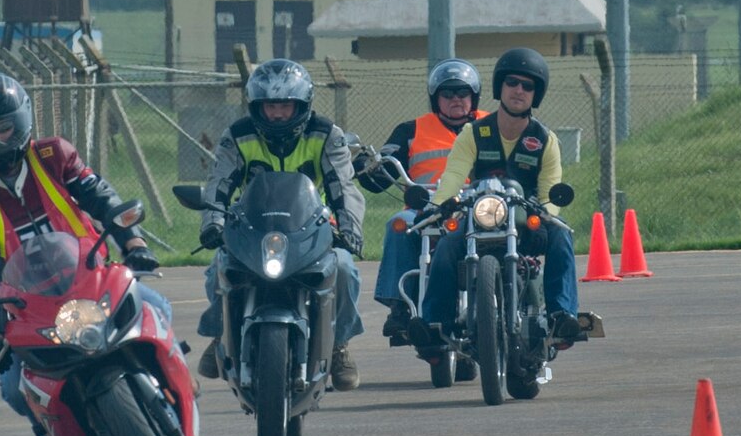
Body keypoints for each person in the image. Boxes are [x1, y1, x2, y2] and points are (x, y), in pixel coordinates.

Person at [0, 71, 168, 436]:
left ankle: (174, 384)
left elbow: (102, 199)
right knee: (13, 388)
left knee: (157, 306)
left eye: (3, 128)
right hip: (30, 301)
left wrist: (135, 243)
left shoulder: (54, 154)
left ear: (22, 121)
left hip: (90, 275)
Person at [195, 58, 365, 390]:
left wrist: (350, 230)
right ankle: (220, 334)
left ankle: (339, 344)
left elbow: (344, 187)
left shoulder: (327, 134)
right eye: (270, 105)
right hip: (253, 226)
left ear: (302, 104)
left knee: (344, 267)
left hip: (313, 227)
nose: (277, 114)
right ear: (256, 106)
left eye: (285, 105)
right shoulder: (238, 136)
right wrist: (213, 222)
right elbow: (218, 183)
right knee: (220, 265)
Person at [413, 45, 580, 360]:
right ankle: (436, 323)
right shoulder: (473, 133)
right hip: (480, 214)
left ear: (536, 94)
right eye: (512, 83)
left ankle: (562, 315)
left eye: (527, 85)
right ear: (499, 87)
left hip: (525, 220)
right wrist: (441, 204)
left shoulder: (545, 140)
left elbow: (549, 190)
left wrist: (548, 211)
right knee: (447, 245)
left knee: (561, 235)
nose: (519, 90)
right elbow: (453, 176)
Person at [358, 58, 486, 343]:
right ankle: (400, 308)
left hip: (481, 209)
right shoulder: (411, 130)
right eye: (448, 94)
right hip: (426, 210)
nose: (456, 100)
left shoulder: (491, 124)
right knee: (398, 224)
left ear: (473, 97)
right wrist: (369, 169)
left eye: (462, 93)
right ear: (435, 98)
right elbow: (385, 163)